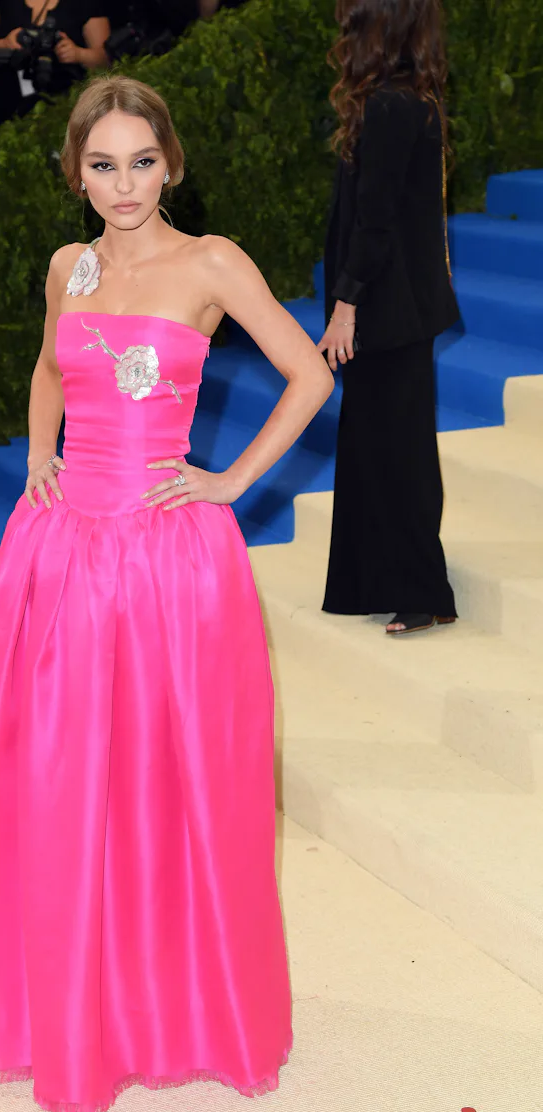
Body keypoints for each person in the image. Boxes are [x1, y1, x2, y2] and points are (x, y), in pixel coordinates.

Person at [0, 75, 333, 1112]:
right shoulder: (66, 267)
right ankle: (87, 1003)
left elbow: (309, 373)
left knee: (176, 781)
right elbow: (47, 370)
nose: (122, 184)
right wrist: (41, 450)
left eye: (139, 161)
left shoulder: (210, 263)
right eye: (100, 164)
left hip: (168, 559)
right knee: (68, 782)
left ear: (170, 163)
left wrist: (230, 479)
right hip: (64, 552)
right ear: (75, 172)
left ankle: (179, 1002)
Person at [318, 0, 460, 636]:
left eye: (353, 15)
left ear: (378, 27)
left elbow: (375, 223)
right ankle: (381, 578)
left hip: (387, 306)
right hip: (394, 302)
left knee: (395, 448)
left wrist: (346, 305)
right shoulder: (400, 98)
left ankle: (421, 588)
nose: (343, 26)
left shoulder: (391, 106)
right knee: (378, 443)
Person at [0, 0, 109, 124]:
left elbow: (106, 58)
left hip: (66, 108)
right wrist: (4, 44)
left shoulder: (87, 3)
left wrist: (78, 54)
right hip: (4, 103)